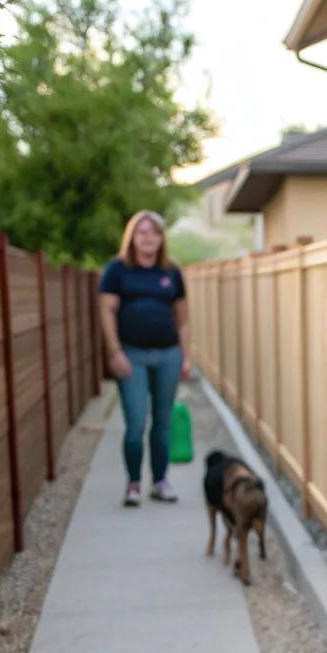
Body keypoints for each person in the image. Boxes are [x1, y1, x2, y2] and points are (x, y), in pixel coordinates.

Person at [98, 210, 191, 506]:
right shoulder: (117, 270)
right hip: (131, 356)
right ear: (132, 237)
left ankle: (161, 482)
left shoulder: (172, 272)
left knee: (162, 423)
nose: (148, 237)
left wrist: (185, 357)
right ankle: (134, 484)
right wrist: (114, 352)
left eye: (154, 232)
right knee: (136, 423)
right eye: (142, 231)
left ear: (161, 238)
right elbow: (106, 312)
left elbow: (184, 319)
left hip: (168, 355)